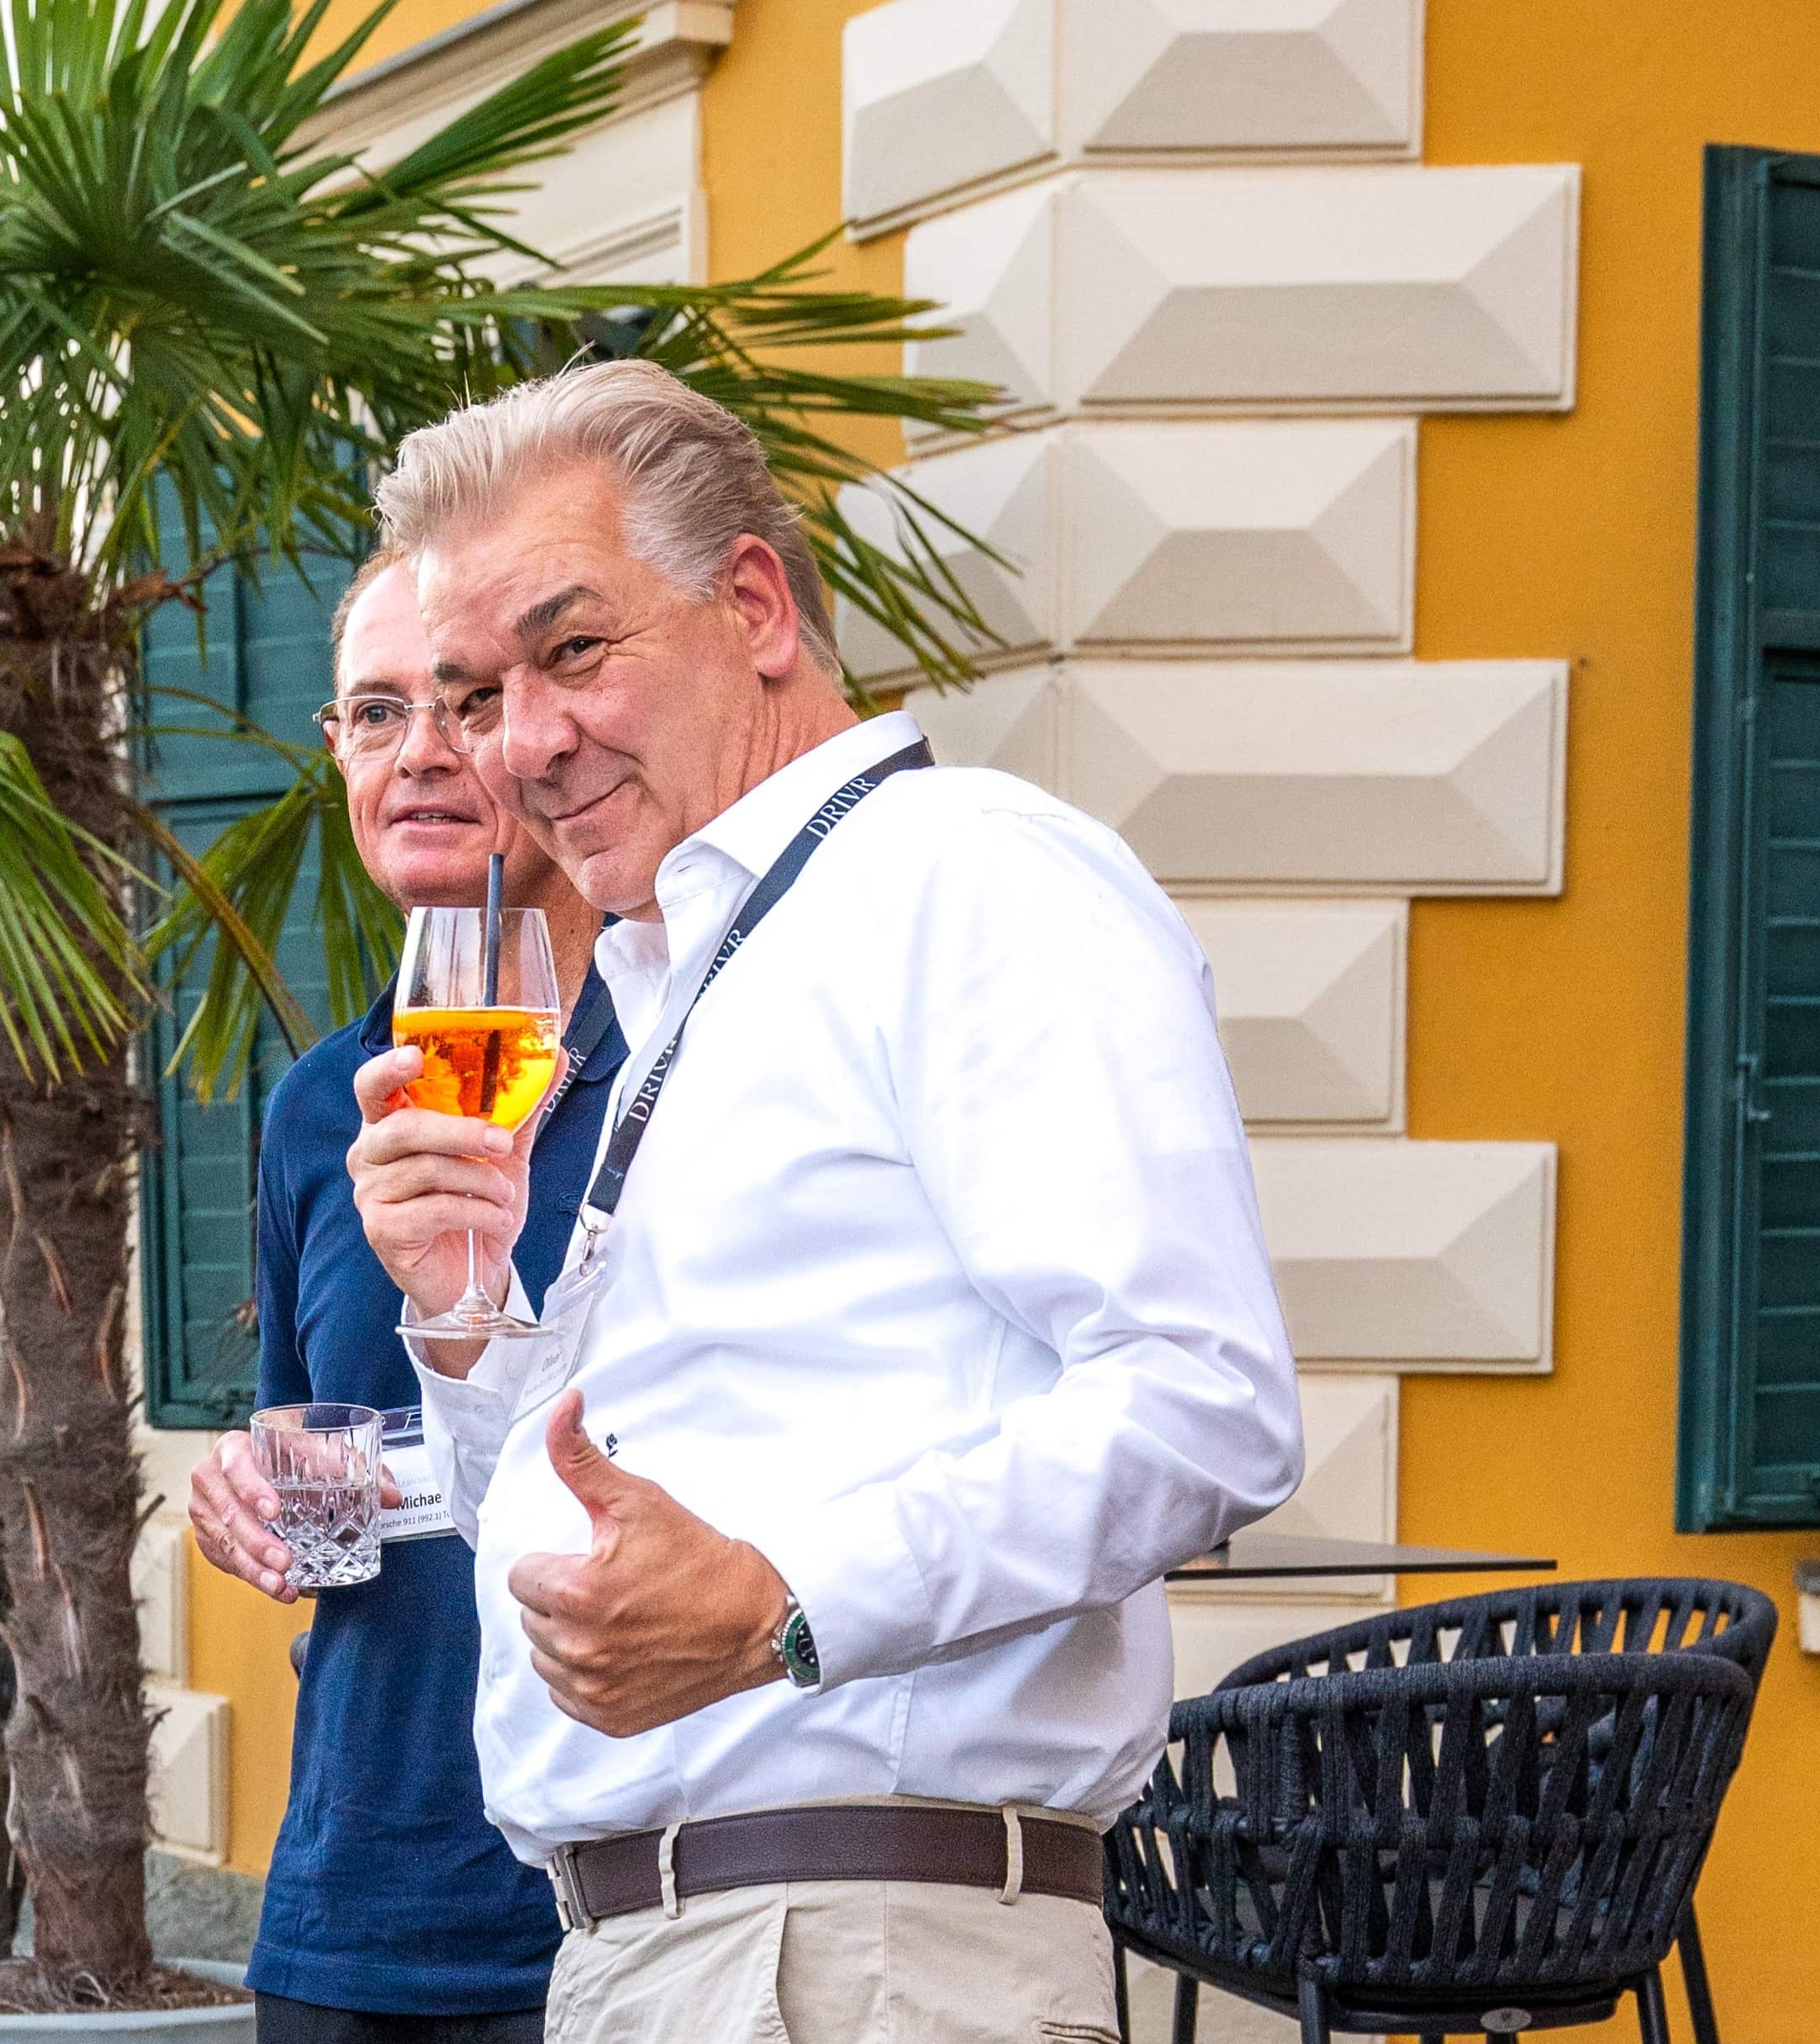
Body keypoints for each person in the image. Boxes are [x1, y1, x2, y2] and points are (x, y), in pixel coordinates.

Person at [342, 359, 1307, 2042]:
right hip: (680, 1949)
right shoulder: (697, 970)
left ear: (758, 606)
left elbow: (1208, 1404)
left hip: (850, 1959)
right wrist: (466, 1306)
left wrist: (789, 1596)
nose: (526, 741)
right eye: (481, 686)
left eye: (573, 651)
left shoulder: (964, 873)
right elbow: (575, 1541)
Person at [186, 553, 613, 2043]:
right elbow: (328, 1435)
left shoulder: (689, 1062)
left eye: (466, 704)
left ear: (559, 733)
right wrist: (242, 1481)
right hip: (353, 1904)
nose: (420, 751)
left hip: (605, 1906)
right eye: (376, 712)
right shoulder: (322, 1104)